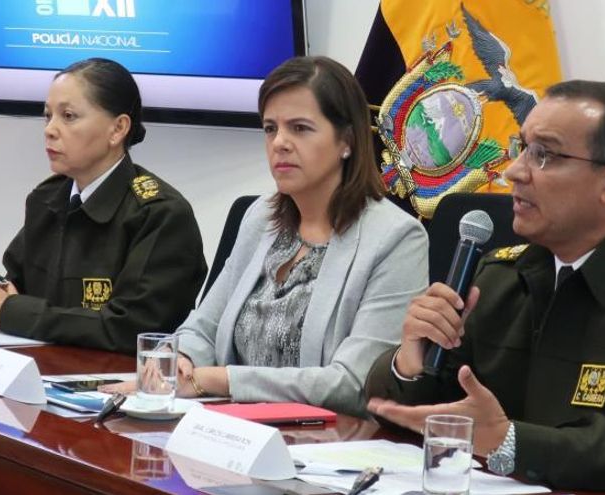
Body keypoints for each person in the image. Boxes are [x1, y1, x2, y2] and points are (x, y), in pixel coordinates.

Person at [365, 80, 605, 494]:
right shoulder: (497, 276)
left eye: (544, 154)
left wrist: (511, 442)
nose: (514, 171)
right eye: (522, 147)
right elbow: (409, 416)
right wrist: (411, 362)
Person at [104, 56, 428, 416]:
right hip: (228, 431)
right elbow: (204, 327)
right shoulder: (261, 217)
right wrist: (180, 357)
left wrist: (218, 380)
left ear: (347, 141)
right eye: (271, 128)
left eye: (301, 128)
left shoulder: (395, 238)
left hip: (324, 445)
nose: (280, 143)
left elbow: (352, 383)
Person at [0, 58, 207, 354]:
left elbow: (130, 328)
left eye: (68, 116)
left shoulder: (160, 213)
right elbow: (16, 284)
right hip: (44, 370)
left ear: (117, 129)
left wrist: (11, 311)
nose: (50, 129)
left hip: (118, 386)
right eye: (48, 116)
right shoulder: (47, 198)